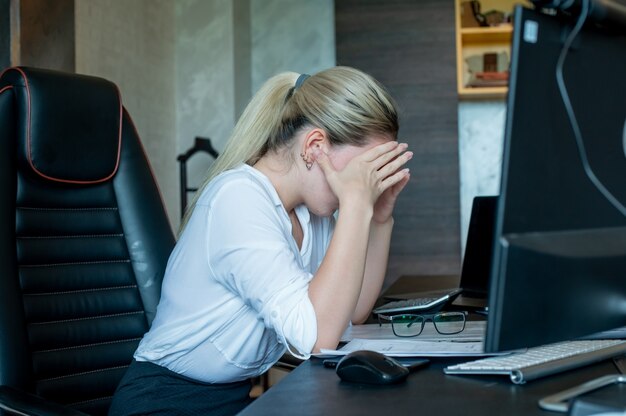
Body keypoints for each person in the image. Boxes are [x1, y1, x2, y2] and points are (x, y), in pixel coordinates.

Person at [109, 66, 412, 415]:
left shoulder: (312, 213)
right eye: (365, 169)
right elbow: (317, 338)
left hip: (232, 402)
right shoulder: (238, 198)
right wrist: (358, 202)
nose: (369, 182)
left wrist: (379, 216)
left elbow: (353, 311)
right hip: (163, 404)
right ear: (315, 147)